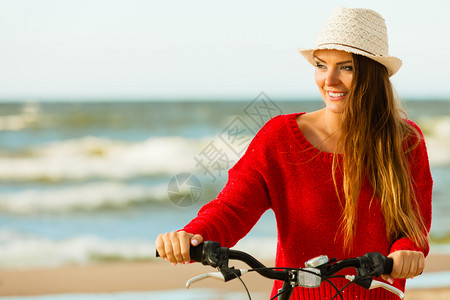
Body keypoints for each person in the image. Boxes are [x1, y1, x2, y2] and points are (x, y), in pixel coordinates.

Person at [155, 7, 432, 299]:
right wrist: (193, 234)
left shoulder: (405, 142)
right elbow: (232, 208)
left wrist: (407, 253)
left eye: (346, 67)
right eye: (321, 65)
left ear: (373, 74)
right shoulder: (279, 138)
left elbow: (412, 230)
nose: (330, 80)